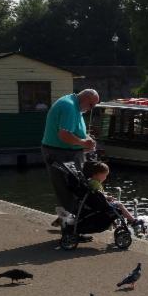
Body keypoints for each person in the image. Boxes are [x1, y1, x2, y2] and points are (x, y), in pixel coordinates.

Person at [41, 88, 100, 222]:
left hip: (65, 152)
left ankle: (67, 222)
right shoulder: (69, 107)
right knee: (69, 190)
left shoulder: (74, 105)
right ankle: (71, 227)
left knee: (72, 188)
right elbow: (64, 135)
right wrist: (84, 143)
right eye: (91, 105)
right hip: (59, 153)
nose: (91, 109)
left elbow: (75, 131)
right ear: (85, 98)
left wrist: (87, 140)